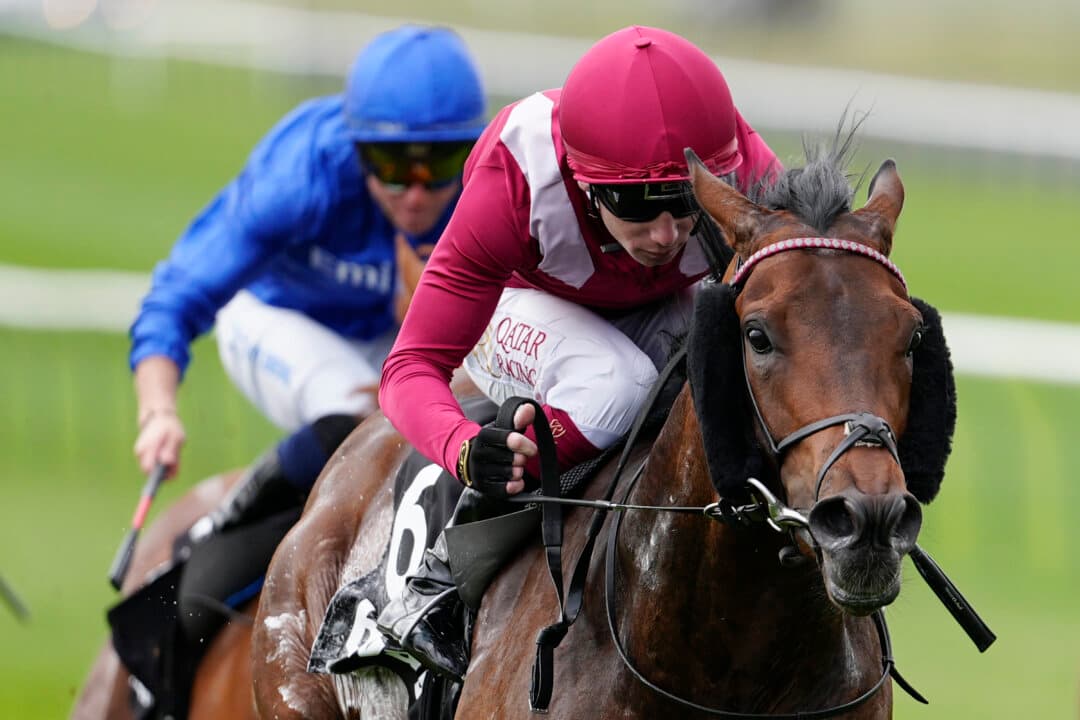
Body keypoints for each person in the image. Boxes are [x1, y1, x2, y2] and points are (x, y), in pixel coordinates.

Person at [375, 25, 781, 680]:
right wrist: (460, 446)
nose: (667, 234)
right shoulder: (517, 174)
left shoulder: (744, 171)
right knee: (616, 381)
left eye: (684, 204)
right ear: (582, 181)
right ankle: (439, 572)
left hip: (659, 315)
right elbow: (409, 368)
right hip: (517, 309)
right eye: (635, 205)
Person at [129, 25, 486, 560]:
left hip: (384, 337)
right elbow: (180, 292)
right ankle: (213, 543)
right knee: (360, 422)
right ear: (358, 149)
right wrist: (157, 410)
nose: (414, 193)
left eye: (437, 166)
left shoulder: (489, 182)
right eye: (391, 167)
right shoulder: (301, 176)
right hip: (274, 317)